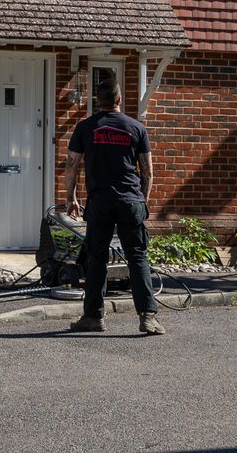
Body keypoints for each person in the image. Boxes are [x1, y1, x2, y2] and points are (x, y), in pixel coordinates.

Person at [63, 77, 163, 335]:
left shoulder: (85, 127)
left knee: (96, 258)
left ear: (98, 101)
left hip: (100, 202)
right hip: (131, 200)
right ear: (119, 100)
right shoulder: (136, 128)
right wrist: (142, 198)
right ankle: (147, 317)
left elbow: (71, 165)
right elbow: (148, 171)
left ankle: (93, 317)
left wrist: (70, 197)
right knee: (137, 257)